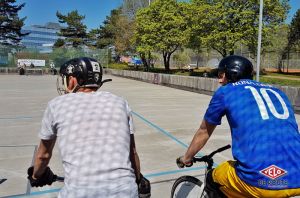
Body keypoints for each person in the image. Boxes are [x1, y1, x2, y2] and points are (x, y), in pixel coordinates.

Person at [177, 55, 300, 197]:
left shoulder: (226, 91)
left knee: (213, 177)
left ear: (232, 74)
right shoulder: (278, 92)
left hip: (259, 181)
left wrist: (186, 158)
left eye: (221, 75)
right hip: (296, 176)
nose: (219, 80)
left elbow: (204, 131)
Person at [27, 57, 150, 198]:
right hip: (125, 191)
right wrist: (138, 179)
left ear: (73, 80)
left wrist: (37, 175)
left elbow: (43, 156)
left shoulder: (57, 105)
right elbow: (132, 152)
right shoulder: (120, 102)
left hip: (79, 193)